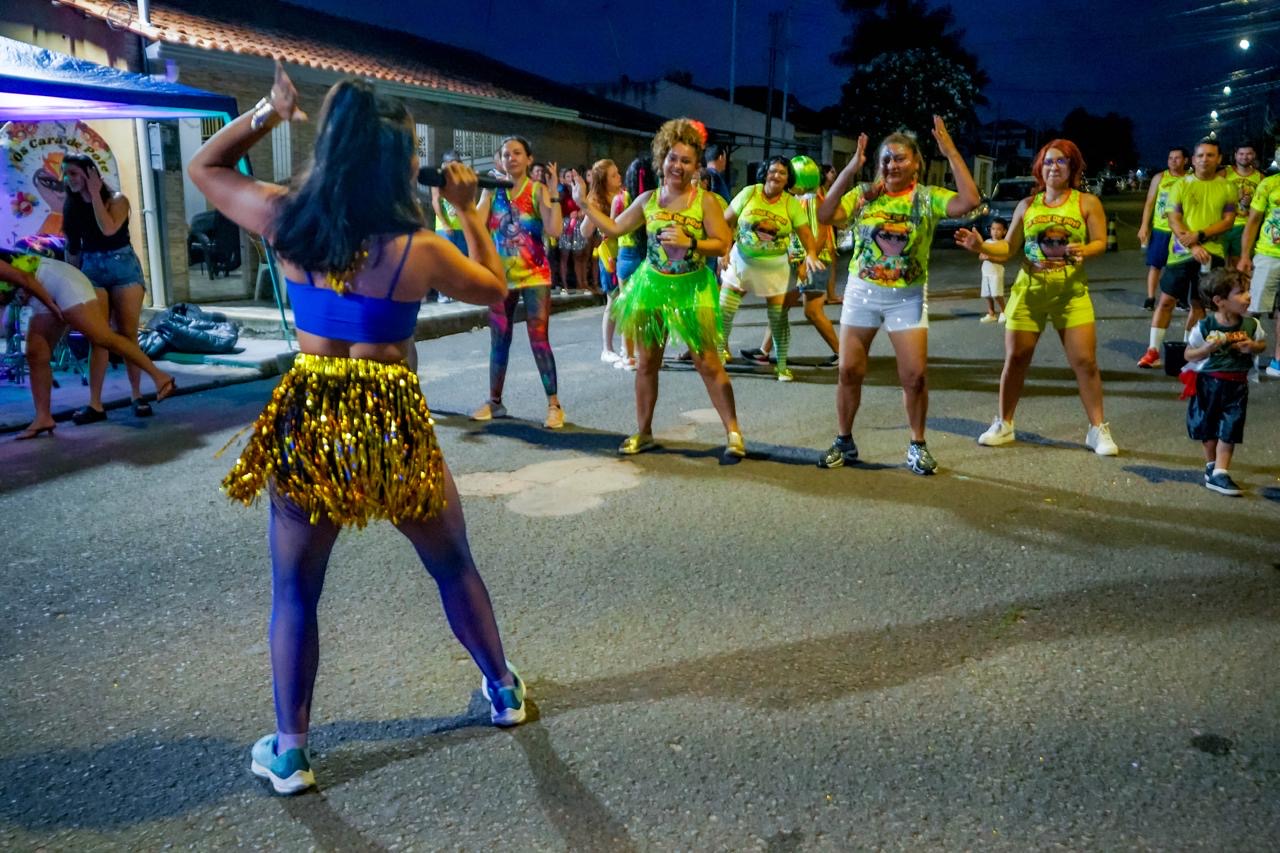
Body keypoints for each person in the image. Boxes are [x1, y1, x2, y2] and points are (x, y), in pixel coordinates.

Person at [187, 64, 526, 796]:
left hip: (312, 415)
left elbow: (204, 167)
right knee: (452, 563)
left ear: (332, 147)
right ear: (395, 164)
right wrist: (468, 210)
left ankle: (291, 751)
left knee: (295, 589)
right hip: (390, 421)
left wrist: (268, 113)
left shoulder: (285, 218)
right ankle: (502, 690)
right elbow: (497, 291)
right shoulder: (418, 248)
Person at [815, 117, 981, 474]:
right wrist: (851, 169)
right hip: (862, 293)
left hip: (907, 296)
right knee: (849, 371)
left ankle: (917, 445)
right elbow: (825, 214)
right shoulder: (865, 196)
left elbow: (969, 200)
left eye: (900, 158)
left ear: (916, 163)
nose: (892, 165)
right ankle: (844, 441)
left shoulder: (927, 198)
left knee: (915, 376)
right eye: (886, 159)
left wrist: (951, 152)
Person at [574, 117, 744, 459]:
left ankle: (734, 433)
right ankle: (644, 432)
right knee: (647, 364)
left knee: (709, 364)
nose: (677, 166)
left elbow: (723, 242)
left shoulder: (705, 201)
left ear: (696, 166)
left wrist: (691, 242)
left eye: (686, 160)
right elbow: (614, 228)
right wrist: (584, 204)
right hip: (651, 286)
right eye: (672, 158)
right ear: (661, 159)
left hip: (692, 289)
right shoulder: (648, 200)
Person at [955, 139, 1119, 457]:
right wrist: (981, 246)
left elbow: (1100, 241)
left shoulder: (1087, 202)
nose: (1053, 167)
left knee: (1085, 362)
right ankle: (1004, 423)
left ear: (1072, 167)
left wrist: (1085, 249)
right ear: (1039, 169)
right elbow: (1009, 247)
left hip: (1070, 293)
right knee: (1016, 358)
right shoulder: (1027, 205)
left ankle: (1097, 429)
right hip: (1029, 291)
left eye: (1061, 161)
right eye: (1048, 162)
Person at [0, 251, 176, 439]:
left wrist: (52, 306)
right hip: (41, 293)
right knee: (36, 354)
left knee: (102, 337)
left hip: (60, 282)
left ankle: (160, 377)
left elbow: (25, 279)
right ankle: (43, 418)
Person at [472, 136, 566, 428]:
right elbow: (475, 226)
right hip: (501, 279)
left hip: (535, 276)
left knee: (539, 338)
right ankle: (495, 402)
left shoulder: (537, 190)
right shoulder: (492, 192)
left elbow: (554, 229)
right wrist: (483, 194)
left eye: (517, 153)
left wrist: (554, 195)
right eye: (506, 154)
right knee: (499, 340)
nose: (511, 158)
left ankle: (554, 405)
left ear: (528, 159)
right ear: (499, 160)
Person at [60, 153, 153, 423]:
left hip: (123, 267)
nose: (68, 179)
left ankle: (137, 395)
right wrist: (71, 281)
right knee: (98, 337)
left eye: (74, 173)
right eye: (66, 173)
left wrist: (94, 195)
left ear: (91, 174)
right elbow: (72, 247)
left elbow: (109, 228)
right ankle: (95, 404)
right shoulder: (72, 205)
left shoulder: (118, 200)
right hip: (92, 268)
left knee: (127, 334)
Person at [718, 156, 824, 381]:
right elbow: (726, 222)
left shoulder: (790, 203)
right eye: (773, 170)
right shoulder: (749, 193)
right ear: (765, 172)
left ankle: (782, 366)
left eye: (782, 173)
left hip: (774, 267)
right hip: (741, 261)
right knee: (724, 310)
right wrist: (723, 251)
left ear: (788, 179)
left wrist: (811, 254)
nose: (776, 175)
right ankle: (718, 357)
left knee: (777, 318)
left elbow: (806, 233)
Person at [1138, 139, 1236, 369]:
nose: (1205, 160)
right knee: (1166, 301)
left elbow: (1228, 220)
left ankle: (1189, 352)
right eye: (1200, 155)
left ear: (1219, 159)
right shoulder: (1180, 185)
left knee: (1200, 305)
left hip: (1212, 254)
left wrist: (1200, 235)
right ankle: (1152, 351)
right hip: (1180, 254)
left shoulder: (1228, 187)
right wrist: (1193, 246)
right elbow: (1174, 218)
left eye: (1210, 155)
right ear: (1193, 159)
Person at [741, 154, 840, 371]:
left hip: (811, 264)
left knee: (812, 311)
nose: (786, 180)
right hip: (801, 264)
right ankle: (764, 351)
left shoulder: (810, 201)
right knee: (781, 306)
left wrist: (807, 261)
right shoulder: (804, 199)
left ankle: (843, 353)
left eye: (789, 174)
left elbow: (818, 235)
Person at [1181, 268, 1267, 495]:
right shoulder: (1205, 326)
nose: (1248, 297)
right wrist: (1206, 349)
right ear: (1219, 301)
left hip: (1237, 385)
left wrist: (1253, 346)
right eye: (1241, 293)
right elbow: (1188, 354)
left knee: (1231, 427)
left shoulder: (1251, 325)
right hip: (1209, 384)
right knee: (1208, 427)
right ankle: (1212, 465)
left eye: (1247, 291)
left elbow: (1262, 344)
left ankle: (1221, 472)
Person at [1236, 147, 1280, 377]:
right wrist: (1245, 256)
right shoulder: (1269, 184)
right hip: (1268, 255)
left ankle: (1278, 361)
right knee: (1254, 308)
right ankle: (1243, 355)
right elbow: (1253, 221)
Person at [580, 159, 626, 363]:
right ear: (603, 180)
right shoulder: (597, 201)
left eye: (618, 173)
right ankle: (607, 348)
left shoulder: (624, 194)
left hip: (626, 251)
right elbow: (584, 231)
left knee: (628, 300)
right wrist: (591, 212)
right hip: (609, 255)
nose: (619, 177)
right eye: (614, 175)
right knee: (613, 300)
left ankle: (627, 347)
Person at [1137, 148, 1189, 311]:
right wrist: (1144, 226)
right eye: (1170, 158)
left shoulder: (1190, 179)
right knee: (1155, 265)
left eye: (1177, 158)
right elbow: (1149, 203)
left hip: (1180, 231)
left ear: (1185, 160)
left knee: (1181, 267)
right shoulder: (1160, 178)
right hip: (1161, 230)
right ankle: (1150, 298)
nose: (1173, 161)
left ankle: (1181, 299)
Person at [429, 150, 466, 304]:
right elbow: (435, 201)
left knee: (461, 260)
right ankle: (443, 294)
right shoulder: (438, 180)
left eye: (458, 163)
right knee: (445, 261)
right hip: (445, 228)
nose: (455, 167)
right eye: (452, 164)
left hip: (461, 226)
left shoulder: (462, 180)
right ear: (445, 164)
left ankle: (457, 292)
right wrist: (444, 223)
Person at [1223, 144, 1261, 267]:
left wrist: (1250, 203)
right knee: (1220, 265)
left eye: (1248, 153)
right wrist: (1236, 197)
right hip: (1222, 225)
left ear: (1254, 155)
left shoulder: (1261, 177)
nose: (1244, 157)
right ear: (1235, 155)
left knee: (1239, 265)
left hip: (1244, 227)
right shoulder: (1224, 173)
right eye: (1241, 154)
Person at [978, 217, 1008, 323]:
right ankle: (991, 313)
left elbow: (1004, 259)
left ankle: (1004, 312)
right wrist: (983, 257)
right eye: (993, 229)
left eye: (998, 229)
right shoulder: (987, 242)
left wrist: (990, 258)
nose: (995, 232)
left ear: (1004, 231)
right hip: (986, 272)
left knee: (996, 294)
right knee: (987, 294)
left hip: (996, 273)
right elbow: (980, 255)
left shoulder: (1003, 244)